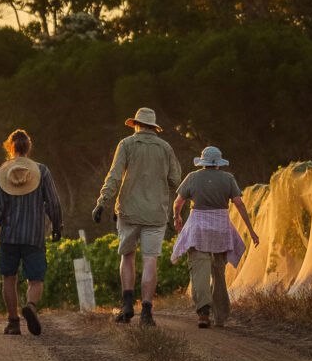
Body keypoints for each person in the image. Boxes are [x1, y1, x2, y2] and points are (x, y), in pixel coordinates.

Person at [92, 106, 180, 326]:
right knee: (150, 259)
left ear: (137, 125)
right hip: (156, 214)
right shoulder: (165, 148)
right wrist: (179, 207)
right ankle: (147, 312)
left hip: (129, 211)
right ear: (153, 127)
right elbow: (177, 180)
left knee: (127, 256)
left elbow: (113, 176)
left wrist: (102, 202)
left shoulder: (126, 144)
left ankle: (127, 305)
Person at [0, 129, 63, 336]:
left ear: (10, 147)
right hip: (34, 235)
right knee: (35, 279)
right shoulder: (42, 171)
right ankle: (31, 306)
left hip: (8, 236)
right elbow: (53, 202)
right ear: (28, 147)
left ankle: (13, 322)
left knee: (9, 278)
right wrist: (57, 226)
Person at [170, 145, 261, 328]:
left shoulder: (193, 177)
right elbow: (239, 204)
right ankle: (221, 316)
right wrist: (251, 231)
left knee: (199, 270)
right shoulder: (228, 178)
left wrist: (177, 217)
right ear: (218, 163)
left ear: (202, 162)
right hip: (220, 229)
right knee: (219, 272)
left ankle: (203, 313)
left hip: (199, 231)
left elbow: (178, 202)